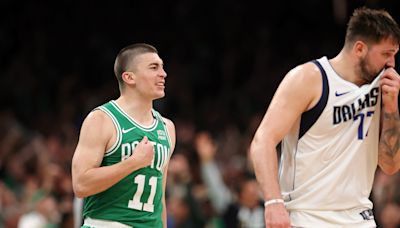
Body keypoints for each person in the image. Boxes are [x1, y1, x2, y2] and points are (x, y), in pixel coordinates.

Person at [249, 7, 400, 228]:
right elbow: (263, 141)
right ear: (359, 49)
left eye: (395, 55)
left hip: (359, 218)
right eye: (386, 54)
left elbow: (390, 165)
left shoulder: (382, 89)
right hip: (306, 217)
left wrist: (392, 107)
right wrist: (273, 202)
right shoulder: (309, 78)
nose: (392, 64)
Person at [71, 43, 176, 228]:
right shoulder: (102, 119)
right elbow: (81, 185)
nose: (163, 74)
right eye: (154, 67)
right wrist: (133, 163)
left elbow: (160, 197)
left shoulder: (167, 127)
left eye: (162, 67)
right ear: (129, 77)